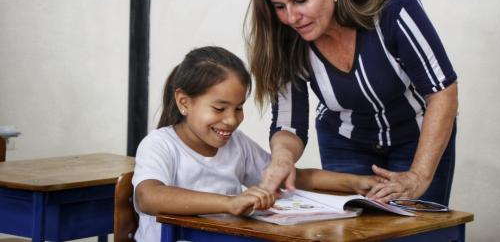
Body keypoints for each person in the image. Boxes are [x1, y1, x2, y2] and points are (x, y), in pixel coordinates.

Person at [245, 0, 458, 206]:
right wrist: (282, 160)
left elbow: (442, 91)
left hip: (416, 137)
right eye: (279, 6)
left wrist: (418, 175)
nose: (291, 17)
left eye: (300, 0)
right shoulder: (286, 38)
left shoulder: (392, 8)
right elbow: (289, 124)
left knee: (413, 233)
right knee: (353, 232)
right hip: (345, 141)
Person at [132, 46, 385, 241]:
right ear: (184, 102)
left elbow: (289, 177)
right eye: (219, 108)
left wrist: (355, 183)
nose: (231, 120)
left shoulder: (237, 146)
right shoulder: (160, 144)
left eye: (239, 108)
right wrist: (229, 203)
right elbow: (149, 196)